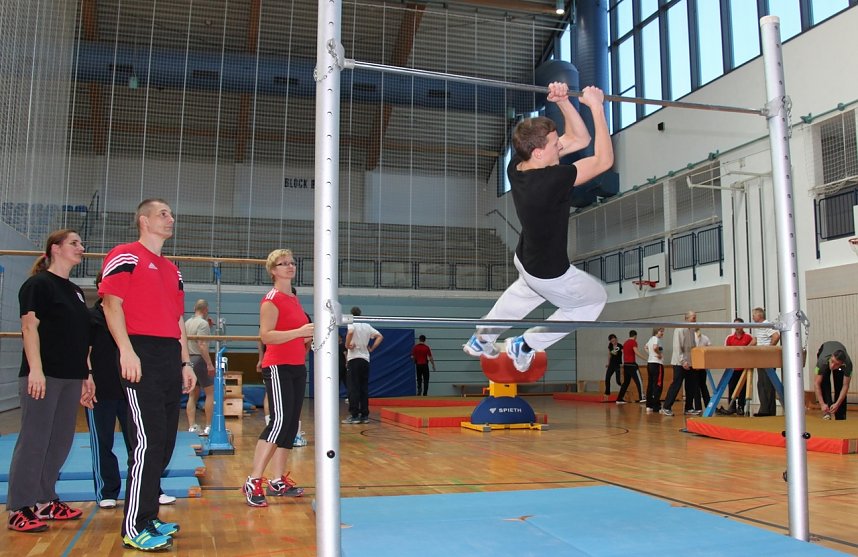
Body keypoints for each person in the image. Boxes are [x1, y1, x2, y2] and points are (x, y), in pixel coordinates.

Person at [462, 82, 612, 371]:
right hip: (550, 272)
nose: (561, 145)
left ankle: (484, 336)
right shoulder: (551, 181)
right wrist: (596, 107)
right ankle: (527, 343)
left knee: (524, 293)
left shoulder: (518, 165)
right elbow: (604, 160)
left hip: (527, 259)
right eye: (556, 144)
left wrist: (564, 102)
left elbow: (579, 139)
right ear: (541, 152)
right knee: (591, 303)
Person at [100, 199, 196, 551]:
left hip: (170, 355)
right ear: (144, 220)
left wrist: (186, 363)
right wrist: (126, 351)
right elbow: (111, 304)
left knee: (166, 443)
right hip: (140, 352)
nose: (171, 218)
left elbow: (178, 320)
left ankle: (149, 516)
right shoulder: (125, 255)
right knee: (146, 442)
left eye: (172, 213)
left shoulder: (174, 269)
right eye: (163, 213)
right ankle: (132, 527)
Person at [6, 230, 95, 534]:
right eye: (74, 243)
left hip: (72, 377)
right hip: (44, 377)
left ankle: (45, 499)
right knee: (34, 442)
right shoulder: (38, 285)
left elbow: (81, 338)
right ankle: (20, 506)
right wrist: (36, 370)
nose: (81, 248)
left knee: (60, 442)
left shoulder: (76, 292)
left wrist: (87, 376)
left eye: (81, 243)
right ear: (55, 249)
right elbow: (29, 328)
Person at [243, 249, 313, 507]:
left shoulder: (293, 298)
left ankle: (277, 480)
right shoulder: (271, 300)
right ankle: (253, 480)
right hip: (278, 367)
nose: (289, 266)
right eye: (283, 264)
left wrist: (306, 336)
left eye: (292, 263)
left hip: (296, 366)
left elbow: (297, 334)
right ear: (273, 270)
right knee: (279, 422)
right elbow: (267, 336)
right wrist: (299, 331)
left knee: (291, 425)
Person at [86, 272, 132, 510]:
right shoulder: (91, 316)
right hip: (100, 390)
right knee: (102, 441)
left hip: (128, 389)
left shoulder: (128, 316)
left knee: (137, 442)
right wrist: (89, 378)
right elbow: (85, 352)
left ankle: (147, 489)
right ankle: (107, 490)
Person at [343, 307, 383, 424]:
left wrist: (347, 344)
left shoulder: (352, 323)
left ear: (351, 314)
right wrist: (372, 348)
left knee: (353, 388)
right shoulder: (366, 325)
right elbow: (380, 336)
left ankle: (354, 415)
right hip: (365, 359)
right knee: (363, 388)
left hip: (354, 359)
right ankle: (364, 415)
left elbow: (350, 332)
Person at [185, 299, 215, 435]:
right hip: (199, 359)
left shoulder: (187, 323)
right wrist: (209, 363)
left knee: (193, 394)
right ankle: (209, 426)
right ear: (206, 310)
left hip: (189, 359)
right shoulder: (203, 324)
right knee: (210, 392)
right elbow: (202, 344)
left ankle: (192, 426)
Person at [660, 311, 698, 416]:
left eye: (695, 318)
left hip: (690, 362)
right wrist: (683, 361)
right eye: (693, 318)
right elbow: (677, 346)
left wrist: (694, 361)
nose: (695, 320)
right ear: (686, 318)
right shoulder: (680, 329)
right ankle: (666, 407)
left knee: (691, 385)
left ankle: (689, 408)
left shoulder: (692, 330)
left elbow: (693, 346)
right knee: (676, 384)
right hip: (679, 363)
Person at [717, 318, 755, 415]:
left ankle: (741, 407)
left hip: (744, 367)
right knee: (732, 387)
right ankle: (731, 407)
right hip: (732, 368)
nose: (737, 327)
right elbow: (725, 352)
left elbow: (753, 349)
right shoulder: (729, 338)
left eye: (739, 325)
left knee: (743, 388)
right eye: (735, 325)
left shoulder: (749, 337)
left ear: (743, 326)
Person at [751, 307, 780, 417]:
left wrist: (769, 348)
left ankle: (768, 410)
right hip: (761, 358)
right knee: (761, 384)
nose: (752, 317)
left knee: (767, 384)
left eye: (754, 315)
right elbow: (755, 340)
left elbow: (776, 336)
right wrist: (745, 349)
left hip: (766, 358)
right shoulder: (758, 327)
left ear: (759, 316)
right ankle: (764, 409)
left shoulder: (766, 324)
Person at [814, 341, 853, 421]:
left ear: (842, 364)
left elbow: (845, 385)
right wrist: (822, 404)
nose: (832, 366)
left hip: (840, 359)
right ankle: (826, 411)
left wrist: (837, 404)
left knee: (839, 384)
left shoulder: (848, 365)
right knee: (824, 383)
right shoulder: (822, 362)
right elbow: (816, 383)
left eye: (836, 364)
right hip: (824, 351)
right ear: (831, 357)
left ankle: (840, 415)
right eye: (832, 361)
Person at [685, 328, 711, 415]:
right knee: (700, 386)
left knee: (700, 386)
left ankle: (702, 406)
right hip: (696, 364)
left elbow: (708, 350)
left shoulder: (704, 338)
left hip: (700, 364)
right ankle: (703, 406)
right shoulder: (694, 338)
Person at [617, 330, 646, 404]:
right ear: (635, 336)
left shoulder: (625, 343)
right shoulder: (633, 342)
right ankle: (642, 397)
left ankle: (619, 399)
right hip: (632, 365)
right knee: (639, 381)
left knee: (626, 382)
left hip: (626, 365)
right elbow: (636, 352)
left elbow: (623, 352)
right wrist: (646, 358)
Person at [644, 328, 665, 414]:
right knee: (658, 385)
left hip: (650, 364)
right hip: (657, 364)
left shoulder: (650, 339)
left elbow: (645, 347)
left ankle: (649, 405)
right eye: (661, 331)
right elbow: (655, 347)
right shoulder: (656, 339)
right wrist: (659, 354)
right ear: (657, 331)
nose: (662, 333)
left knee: (651, 384)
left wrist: (651, 355)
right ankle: (657, 406)